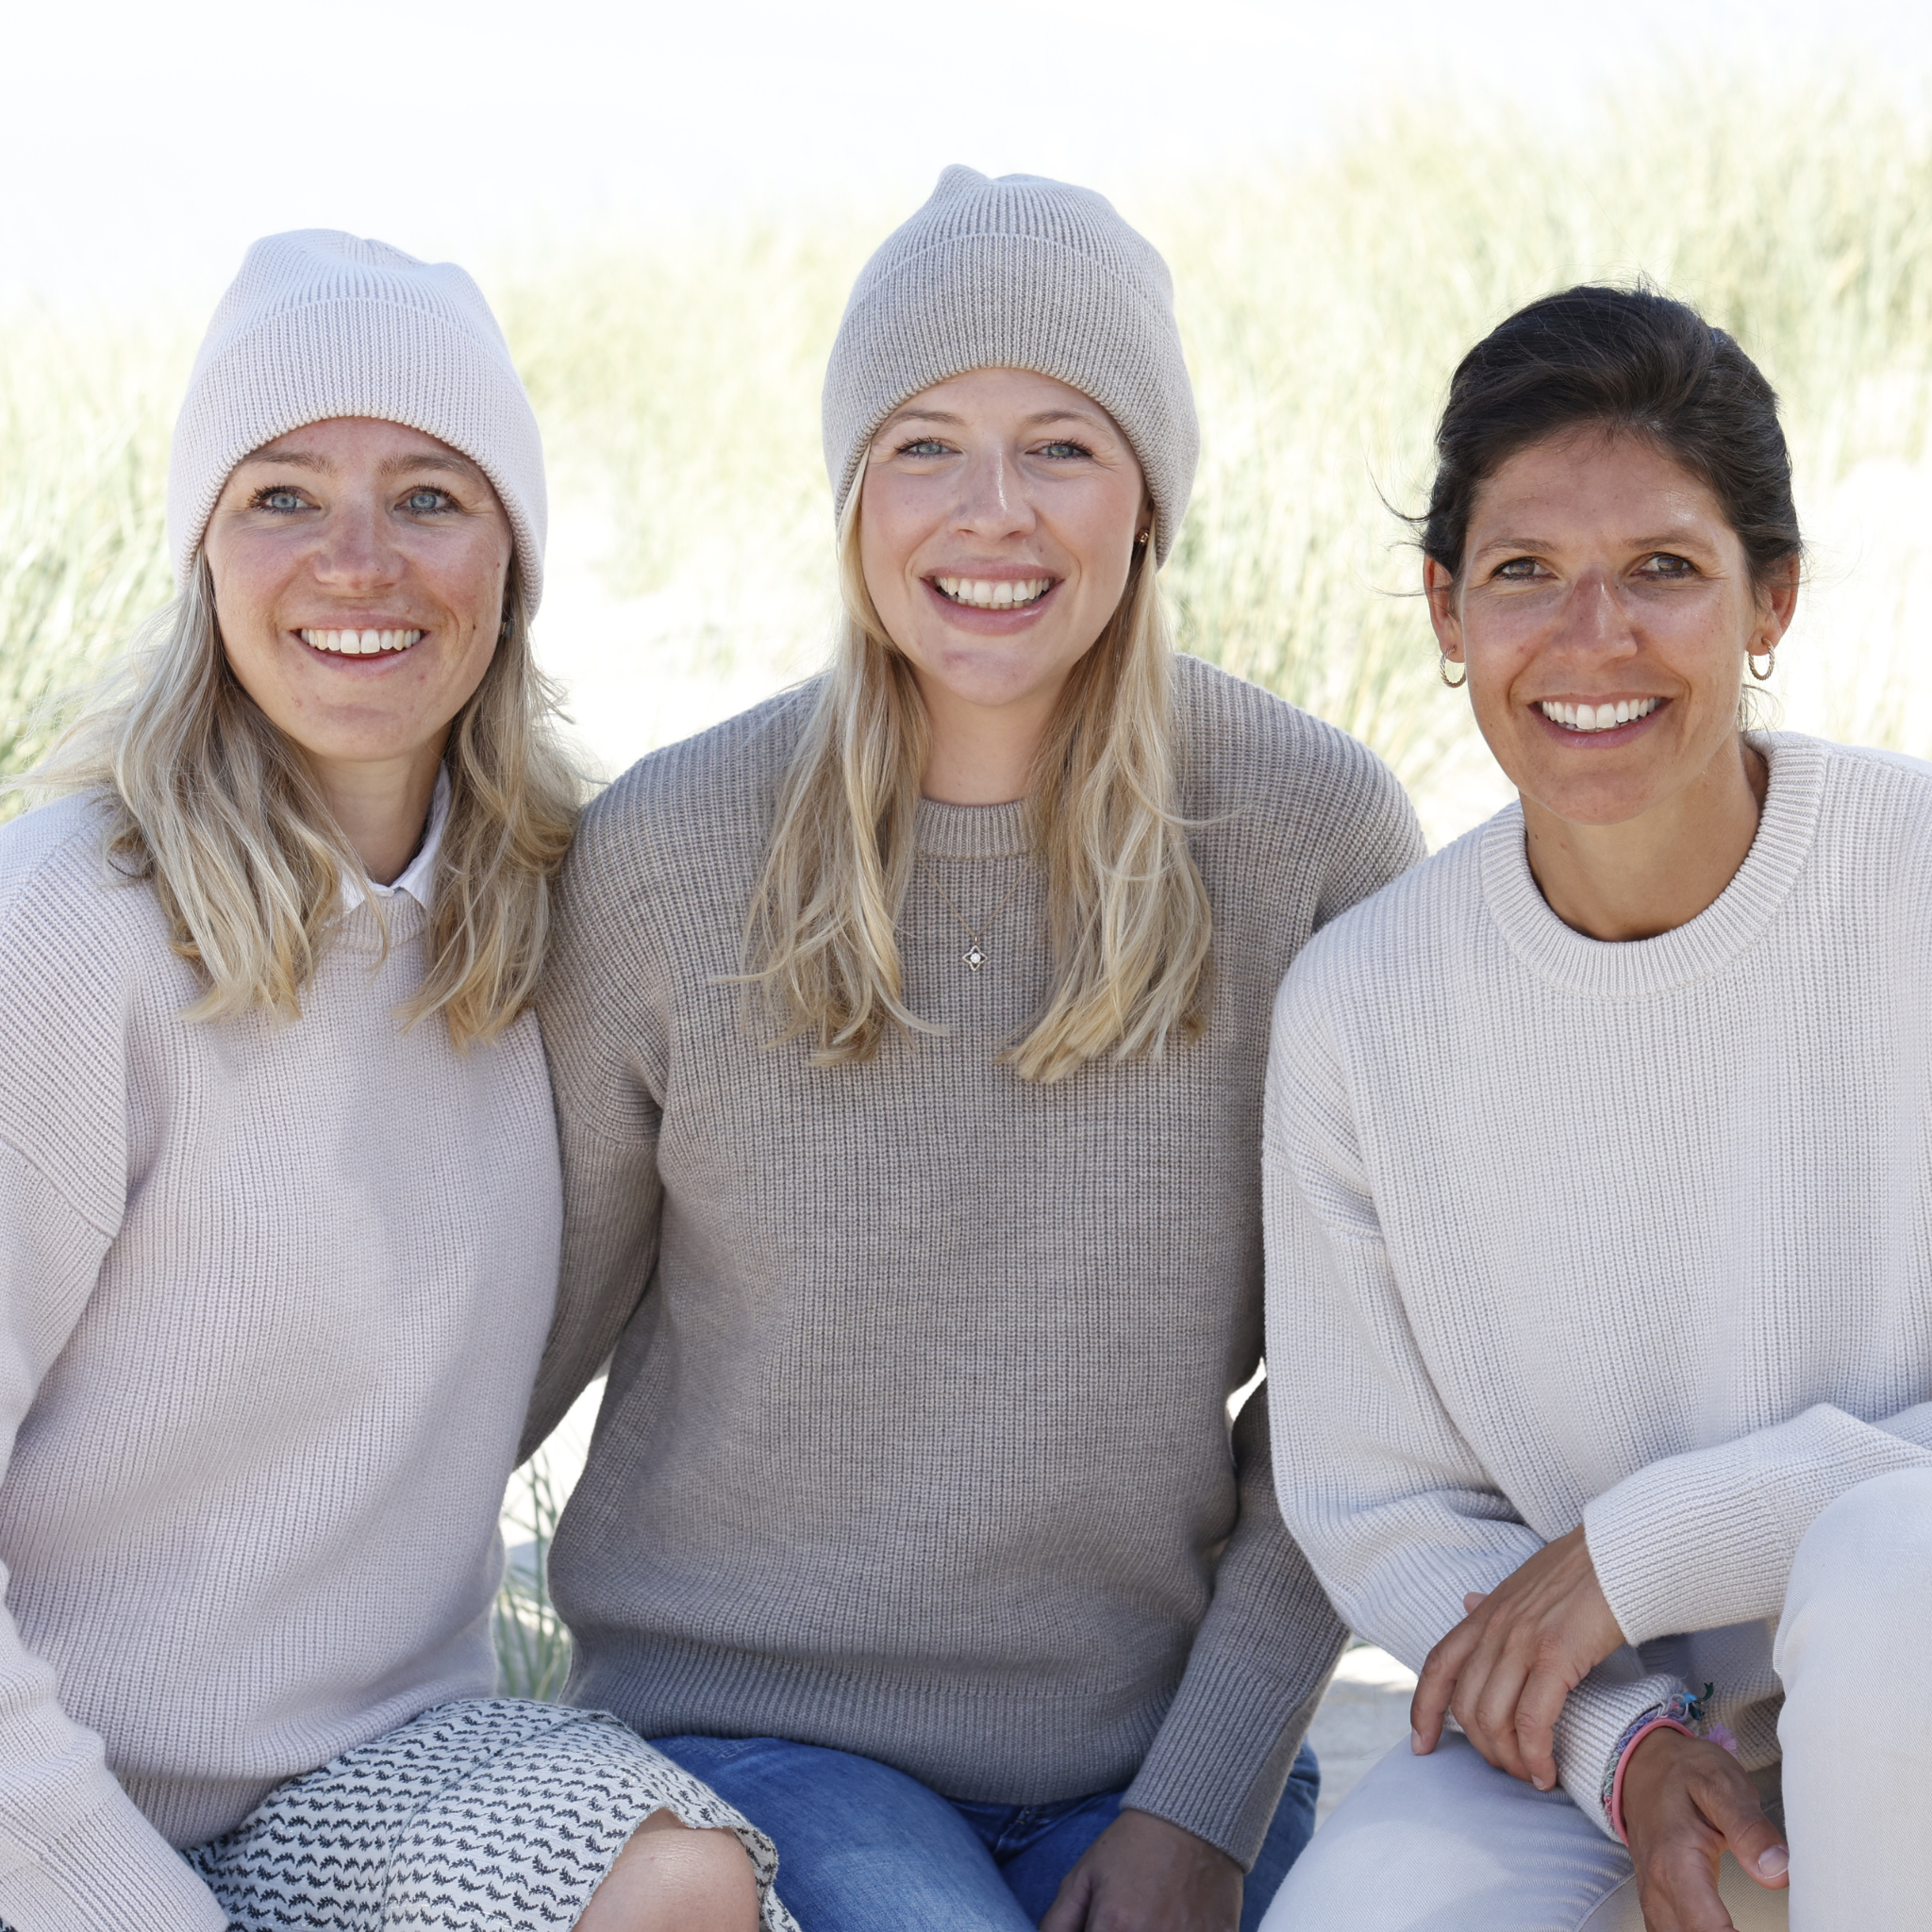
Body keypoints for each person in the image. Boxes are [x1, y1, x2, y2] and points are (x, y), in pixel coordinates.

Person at [530, 166, 1424, 1932]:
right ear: (853, 492)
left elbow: (1354, 1403)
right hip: (749, 1732)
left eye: (1064, 448)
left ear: (1152, 495)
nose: (991, 514)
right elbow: (504, 1342)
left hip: (1155, 1746)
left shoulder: (1312, 835)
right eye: (926, 445)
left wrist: (1206, 1804)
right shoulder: (676, 853)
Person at [0, 230, 791, 1932]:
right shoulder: (70, 924)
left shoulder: (557, 920)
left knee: (678, 1888)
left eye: (430, 497)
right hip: (36, 1793)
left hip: (366, 1779)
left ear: (511, 559)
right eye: (283, 495)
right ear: (203, 550)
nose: (359, 561)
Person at [1259, 284, 1932, 1932]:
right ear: (1444, 611)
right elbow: (1377, 1499)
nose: (1593, 640)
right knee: (1370, 1912)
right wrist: (1620, 1745)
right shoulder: (1361, 1008)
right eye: (1523, 577)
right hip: (1595, 1719)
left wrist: (1644, 1546)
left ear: (1771, 598)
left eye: (1665, 572)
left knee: (1886, 1570)